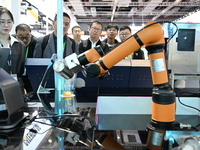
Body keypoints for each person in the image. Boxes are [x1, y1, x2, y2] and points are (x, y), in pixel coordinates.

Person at [0, 7, 26, 93]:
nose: (6, 25)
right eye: (2, 22)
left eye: (9, 22)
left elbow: (21, 70)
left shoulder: (20, 45)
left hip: (16, 89)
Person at [14, 23, 37, 93]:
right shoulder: (13, 43)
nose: (24, 40)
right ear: (16, 36)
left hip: (30, 77)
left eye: (27, 37)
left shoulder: (36, 43)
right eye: (21, 37)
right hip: (17, 76)